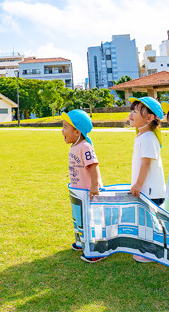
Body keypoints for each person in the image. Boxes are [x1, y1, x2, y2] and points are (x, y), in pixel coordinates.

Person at [61, 109, 105, 263]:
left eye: (66, 127)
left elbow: (93, 166)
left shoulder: (85, 146)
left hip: (88, 192)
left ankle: (97, 249)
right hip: (78, 191)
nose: (62, 131)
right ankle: (81, 241)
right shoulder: (75, 146)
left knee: (90, 220)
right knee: (78, 217)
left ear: (77, 131)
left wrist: (94, 185)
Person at [128, 97, 166, 263]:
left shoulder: (149, 137)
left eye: (135, 111)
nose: (131, 114)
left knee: (151, 221)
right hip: (146, 188)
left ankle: (151, 252)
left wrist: (138, 184)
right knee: (145, 219)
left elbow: (146, 163)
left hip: (151, 189)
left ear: (149, 118)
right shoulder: (142, 136)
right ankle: (147, 248)